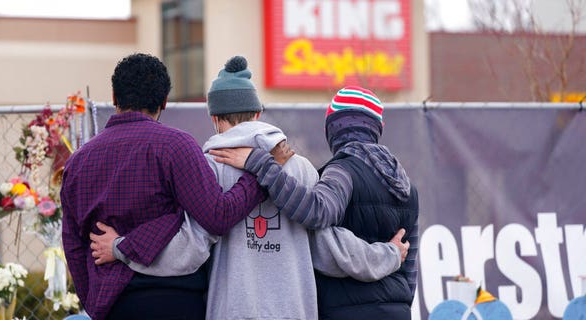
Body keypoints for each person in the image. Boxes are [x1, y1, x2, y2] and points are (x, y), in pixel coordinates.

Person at [90, 57, 410, 319]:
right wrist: (388, 254)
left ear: (214, 118)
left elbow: (188, 248)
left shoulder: (208, 167)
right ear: (258, 114)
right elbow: (331, 250)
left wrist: (121, 247)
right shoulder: (297, 167)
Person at [60, 53, 268, 320]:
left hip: (112, 304)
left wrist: (94, 302)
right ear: (165, 101)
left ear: (114, 97)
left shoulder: (78, 162)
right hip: (176, 299)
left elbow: (74, 246)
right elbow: (218, 216)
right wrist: (259, 176)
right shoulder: (175, 146)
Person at [210, 85, 419, 320]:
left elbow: (317, 213)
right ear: (377, 127)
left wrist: (263, 164)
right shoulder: (407, 186)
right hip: (397, 309)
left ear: (334, 128)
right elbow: (410, 268)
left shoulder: (341, 172)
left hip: (346, 308)